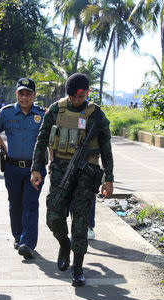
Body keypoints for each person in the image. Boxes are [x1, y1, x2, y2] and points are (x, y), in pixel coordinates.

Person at [30, 73, 114, 287]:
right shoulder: (56, 110)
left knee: (80, 222)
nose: (76, 101)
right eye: (73, 97)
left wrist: (109, 178)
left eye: (80, 97)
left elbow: (106, 147)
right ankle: (64, 243)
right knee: (53, 217)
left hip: (87, 174)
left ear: (86, 93)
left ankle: (77, 267)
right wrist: (35, 169)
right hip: (59, 170)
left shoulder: (96, 115)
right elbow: (41, 138)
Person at [0, 78, 47, 259]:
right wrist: (3, 149)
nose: (24, 97)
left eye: (28, 94)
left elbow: (48, 139)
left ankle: (28, 243)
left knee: (30, 203)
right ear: (16, 94)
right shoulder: (6, 113)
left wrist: (51, 159)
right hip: (13, 168)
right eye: (21, 93)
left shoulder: (42, 114)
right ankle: (18, 236)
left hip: (35, 169)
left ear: (34, 95)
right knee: (15, 203)